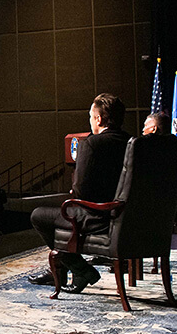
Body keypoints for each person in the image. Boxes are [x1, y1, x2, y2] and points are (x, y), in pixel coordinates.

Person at [27, 93, 130, 292]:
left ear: (99, 119)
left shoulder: (91, 144)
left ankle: (79, 268)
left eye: (91, 117)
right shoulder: (131, 142)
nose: (90, 121)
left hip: (96, 216)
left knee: (39, 216)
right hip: (123, 216)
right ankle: (61, 270)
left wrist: (75, 188)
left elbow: (81, 191)